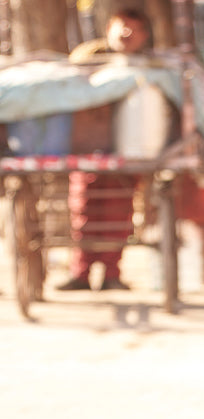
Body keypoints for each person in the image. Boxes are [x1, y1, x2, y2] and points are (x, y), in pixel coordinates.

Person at [58, 8, 152, 292]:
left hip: (127, 151)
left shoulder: (150, 66)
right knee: (83, 209)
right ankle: (81, 273)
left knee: (118, 212)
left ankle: (111, 273)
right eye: (122, 26)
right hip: (88, 147)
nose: (126, 33)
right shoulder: (89, 56)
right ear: (109, 28)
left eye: (134, 29)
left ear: (144, 36)